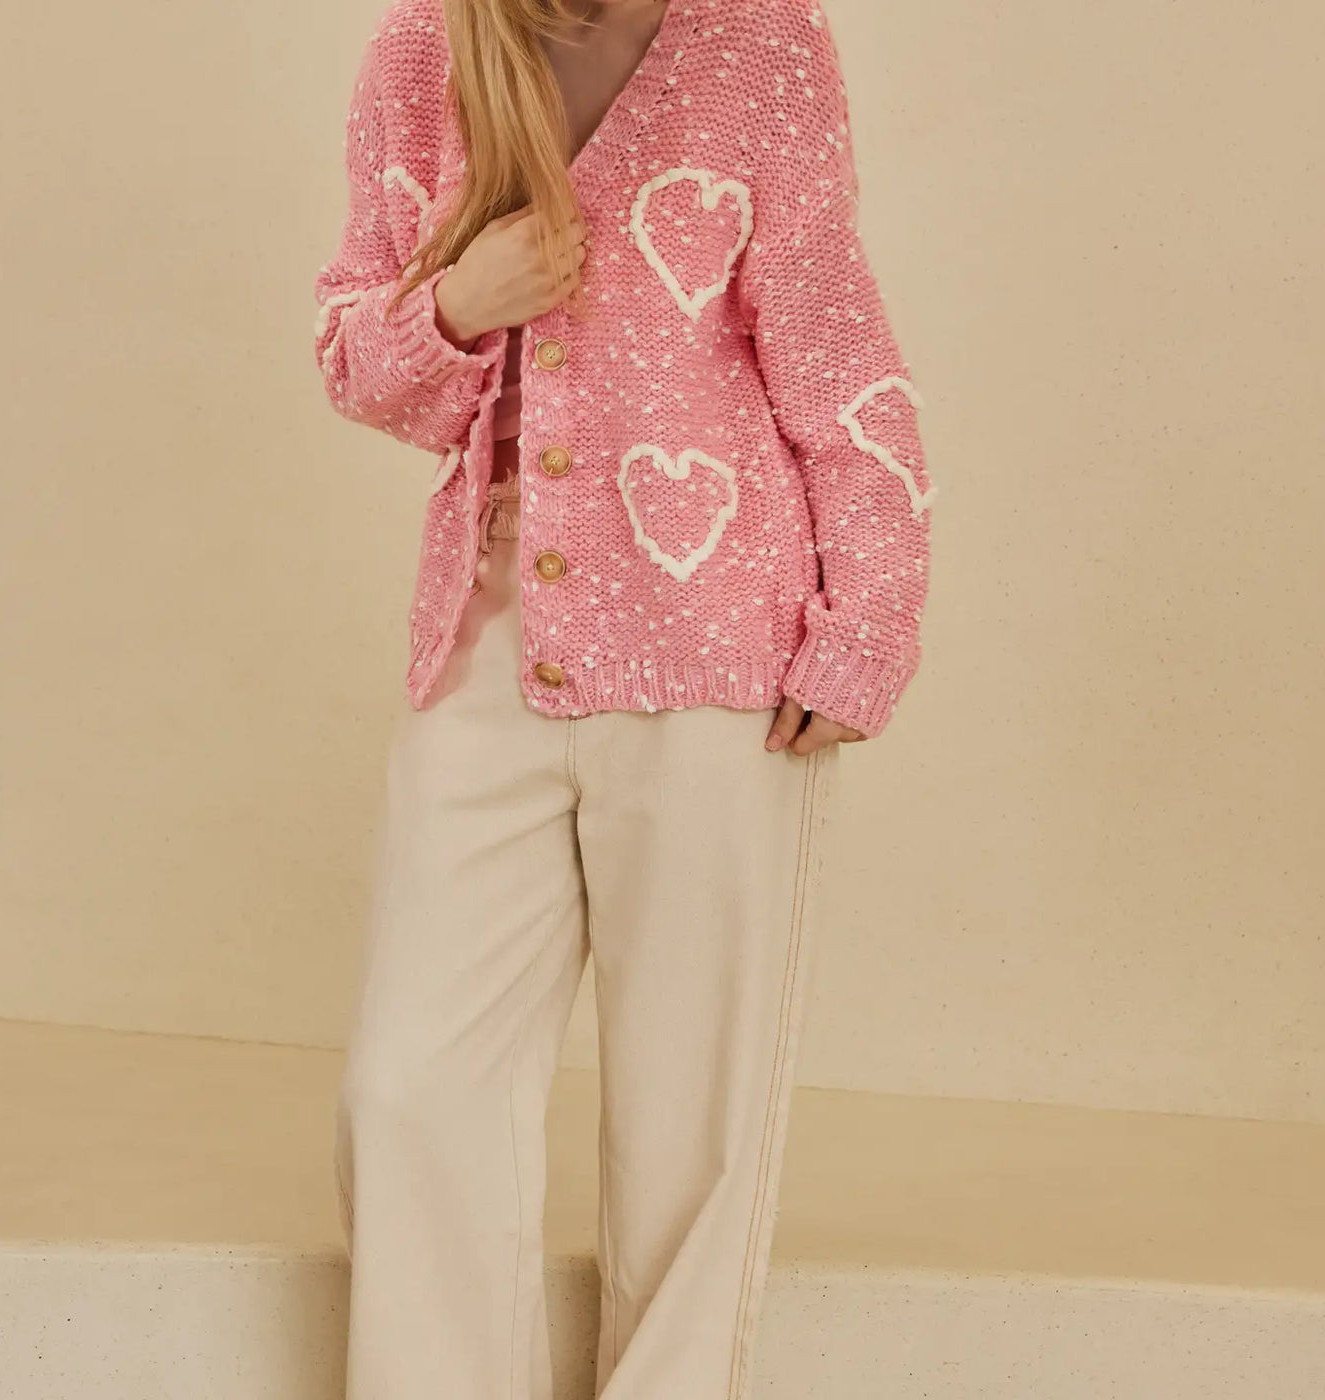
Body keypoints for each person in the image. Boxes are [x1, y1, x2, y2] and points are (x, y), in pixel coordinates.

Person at [311, 1, 936, 1396]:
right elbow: (357, 359)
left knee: (687, 1135)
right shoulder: (427, 47)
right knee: (409, 1090)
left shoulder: (760, 40)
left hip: (724, 654)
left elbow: (836, 348)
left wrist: (869, 621)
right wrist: (458, 303)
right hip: (491, 638)